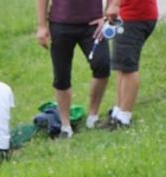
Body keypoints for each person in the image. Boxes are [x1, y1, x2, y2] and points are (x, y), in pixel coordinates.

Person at [36, 0, 110, 137]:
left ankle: (93, 117)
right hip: (61, 23)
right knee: (61, 75)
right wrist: (41, 26)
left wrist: (106, 16)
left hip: (92, 23)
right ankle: (65, 126)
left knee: (103, 64)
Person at [99, 0, 158, 129]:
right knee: (121, 66)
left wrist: (114, 4)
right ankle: (118, 112)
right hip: (127, 15)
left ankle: (124, 118)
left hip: (134, 17)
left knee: (128, 67)